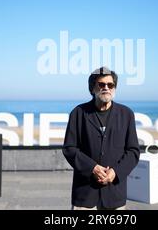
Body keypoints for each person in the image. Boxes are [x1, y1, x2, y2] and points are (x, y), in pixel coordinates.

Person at [63, 67, 140, 210]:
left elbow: (133, 151)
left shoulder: (126, 114)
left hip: (115, 193)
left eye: (110, 85)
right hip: (85, 194)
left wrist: (115, 172)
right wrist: (92, 168)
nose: (106, 88)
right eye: (101, 84)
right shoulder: (78, 113)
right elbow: (69, 148)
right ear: (92, 88)